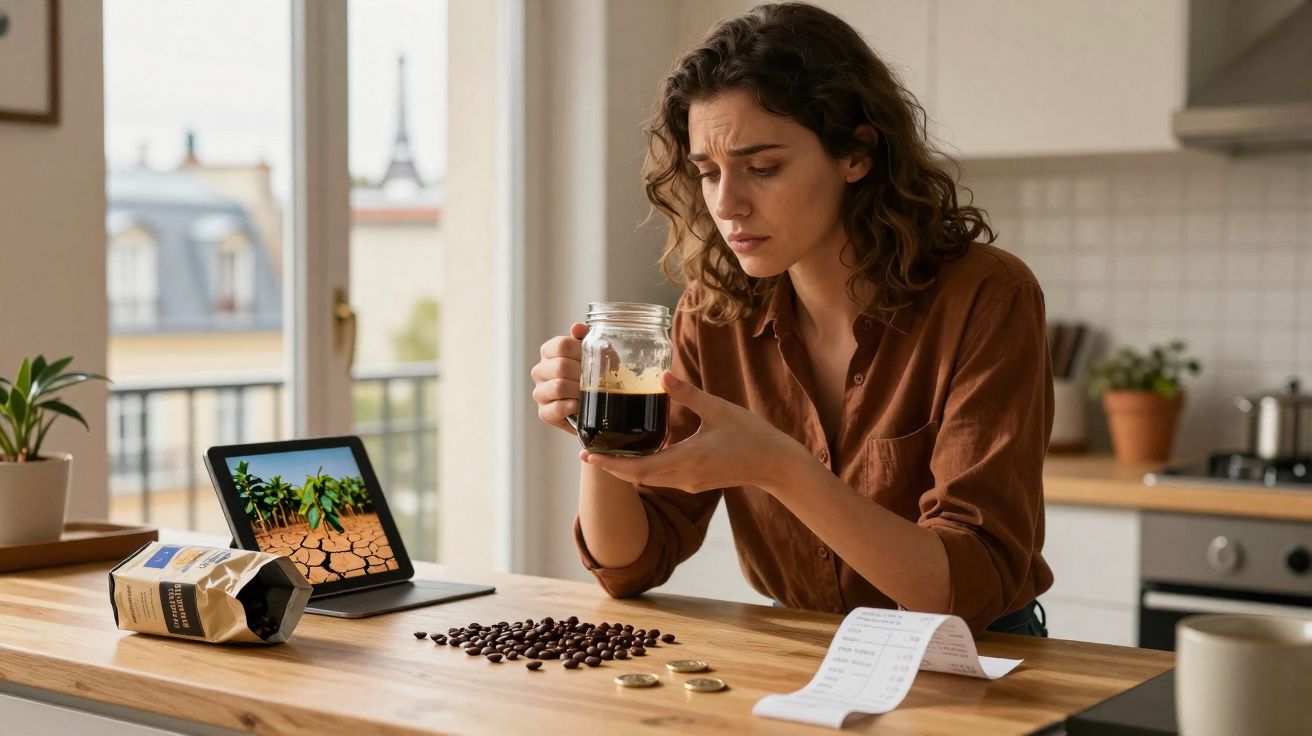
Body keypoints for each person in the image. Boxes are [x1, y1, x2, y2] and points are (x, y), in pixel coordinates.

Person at [529, 2, 1051, 636]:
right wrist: (599, 433)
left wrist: (779, 467)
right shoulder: (712, 311)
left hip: (975, 664)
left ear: (856, 154)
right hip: (806, 654)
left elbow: (966, 586)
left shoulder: (987, 297)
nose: (727, 204)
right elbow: (632, 564)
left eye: (762, 168)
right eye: (708, 173)